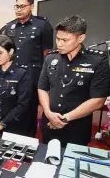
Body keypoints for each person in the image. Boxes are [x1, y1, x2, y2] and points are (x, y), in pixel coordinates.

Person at [38, 15, 110, 147]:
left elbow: (98, 100)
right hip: (49, 124)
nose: (59, 44)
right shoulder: (51, 58)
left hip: (76, 129)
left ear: (81, 38)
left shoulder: (97, 61)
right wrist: (48, 113)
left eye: (65, 40)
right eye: (58, 39)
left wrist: (64, 119)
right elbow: (42, 88)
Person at [0, 0, 53, 137]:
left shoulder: (42, 24)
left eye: (22, 6)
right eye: (16, 6)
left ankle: (28, 139)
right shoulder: (9, 27)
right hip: (11, 76)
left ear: (32, 6)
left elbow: (46, 52)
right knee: (10, 107)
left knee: (29, 110)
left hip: (32, 76)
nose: (18, 9)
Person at [0, 35, 32, 136]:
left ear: (11, 52)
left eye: (0, 53)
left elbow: (22, 105)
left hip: (14, 129)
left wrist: (1, 124)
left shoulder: (22, 73)